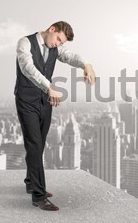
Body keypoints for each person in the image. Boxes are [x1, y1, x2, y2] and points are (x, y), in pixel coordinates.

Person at [14, 21, 95, 211]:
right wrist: (49, 86)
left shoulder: (56, 48)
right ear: (51, 29)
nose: (57, 45)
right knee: (34, 145)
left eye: (61, 43)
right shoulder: (25, 43)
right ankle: (39, 196)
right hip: (27, 101)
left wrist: (87, 65)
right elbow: (27, 68)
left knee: (39, 144)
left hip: (46, 101)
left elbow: (71, 56)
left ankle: (30, 182)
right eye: (58, 39)